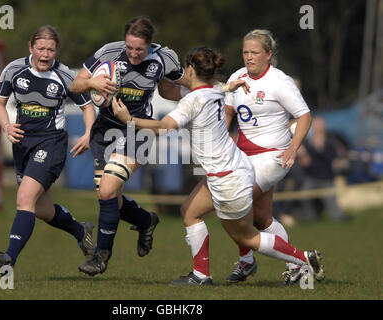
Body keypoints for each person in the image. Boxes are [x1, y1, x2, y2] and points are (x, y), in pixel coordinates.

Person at [112, 46, 325, 286]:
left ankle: (301, 259)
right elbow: (176, 90)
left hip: (227, 177)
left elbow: (163, 127)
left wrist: (128, 120)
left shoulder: (193, 100)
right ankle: (201, 275)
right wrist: (160, 70)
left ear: (191, 69)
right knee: (190, 212)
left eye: (185, 68)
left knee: (248, 238)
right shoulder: (215, 90)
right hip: (234, 168)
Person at [70, 16, 188, 276]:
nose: (134, 54)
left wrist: (207, 92)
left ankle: (101, 256)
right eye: (130, 47)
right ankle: (146, 221)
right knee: (109, 195)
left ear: (150, 45)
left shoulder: (164, 58)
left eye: (140, 49)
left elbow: (172, 89)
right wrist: (92, 83)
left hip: (139, 129)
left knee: (106, 191)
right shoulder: (108, 52)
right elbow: (75, 84)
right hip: (105, 130)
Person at [0, 25, 96, 272]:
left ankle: (9, 259)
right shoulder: (14, 69)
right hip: (22, 144)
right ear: (31, 48)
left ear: (56, 50)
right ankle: (82, 232)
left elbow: (88, 106)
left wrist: (88, 133)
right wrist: (6, 125)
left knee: (24, 198)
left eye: (51, 49)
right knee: (42, 210)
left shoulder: (66, 75)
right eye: (41, 49)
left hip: (51, 143)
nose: (46, 54)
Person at [224, 29, 313, 285]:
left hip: (274, 156)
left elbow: (304, 116)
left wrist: (293, 148)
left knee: (234, 201)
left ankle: (247, 262)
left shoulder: (279, 81)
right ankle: (296, 267)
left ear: (269, 54)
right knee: (261, 218)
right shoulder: (237, 77)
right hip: (244, 156)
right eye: (245, 52)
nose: (249, 57)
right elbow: (228, 113)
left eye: (255, 52)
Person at [298, 116, 351, 222]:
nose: (320, 128)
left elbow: (335, 159)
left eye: (321, 125)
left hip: (326, 178)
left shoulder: (331, 142)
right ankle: (311, 218)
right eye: (317, 126)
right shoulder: (307, 143)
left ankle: (338, 217)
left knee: (332, 203)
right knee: (304, 196)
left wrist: (322, 149)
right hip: (311, 178)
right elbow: (305, 163)